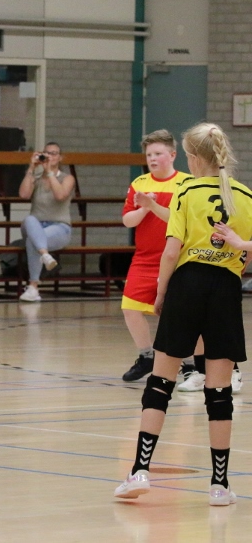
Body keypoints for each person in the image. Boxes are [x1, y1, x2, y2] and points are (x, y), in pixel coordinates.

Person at [114, 123, 252, 506]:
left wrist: (161, 293)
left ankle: (139, 472)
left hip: (187, 285)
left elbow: (171, 251)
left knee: (161, 382)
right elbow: (245, 253)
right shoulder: (244, 194)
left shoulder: (186, 191)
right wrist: (238, 250)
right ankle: (219, 485)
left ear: (191, 157)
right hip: (226, 290)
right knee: (219, 393)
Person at [119, 130, 191, 382]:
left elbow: (178, 220)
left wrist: (152, 205)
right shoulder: (139, 184)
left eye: (158, 153)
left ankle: (189, 363)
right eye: (149, 154)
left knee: (178, 313)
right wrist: (144, 209)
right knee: (130, 308)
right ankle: (146, 355)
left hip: (177, 258)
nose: (152, 158)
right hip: (144, 258)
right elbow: (128, 221)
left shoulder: (186, 184)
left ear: (172, 155)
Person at [17, 142, 75, 302]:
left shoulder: (67, 178)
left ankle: (33, 287)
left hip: (59, 227)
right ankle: (45, 255)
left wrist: (49, 172)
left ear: (60, 157)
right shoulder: (36, 179)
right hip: (36, 225)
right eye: (47, 153)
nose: (50, 156)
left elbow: (60, 195)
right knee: (29, 220)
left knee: (32, 241)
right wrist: (31, 167)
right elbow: (23, 195)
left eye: (54, 153)